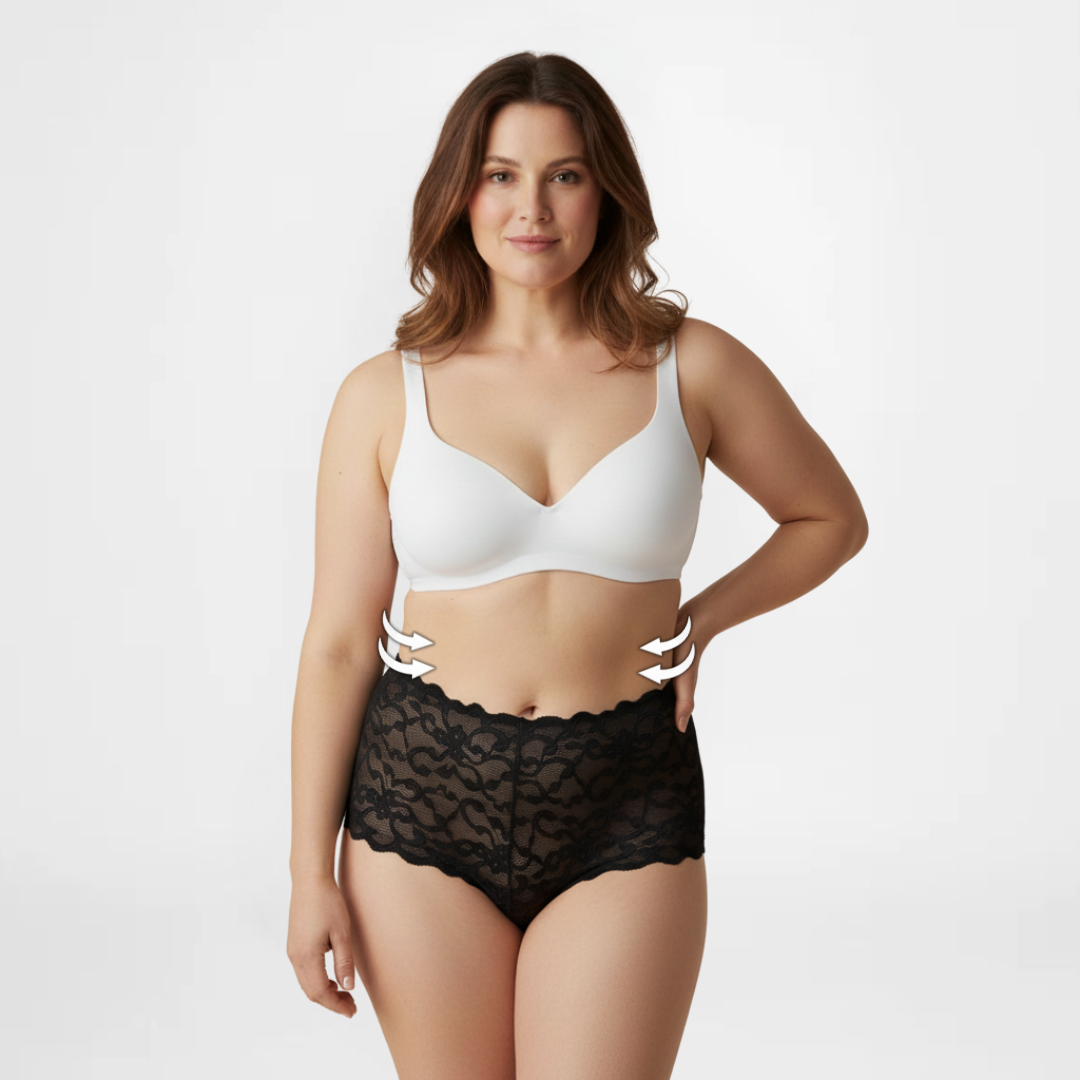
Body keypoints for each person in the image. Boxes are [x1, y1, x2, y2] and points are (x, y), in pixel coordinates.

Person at [287, 50, 868, 1080]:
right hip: (420, 798)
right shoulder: (383, 394)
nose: (533, 208)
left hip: (626, 797)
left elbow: (828, 517)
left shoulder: (694, 366)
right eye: (500, 174)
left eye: (565, 174)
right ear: (460, 193)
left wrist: (706, 619)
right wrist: (306, 874)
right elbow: (338, 646)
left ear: (607, 192)